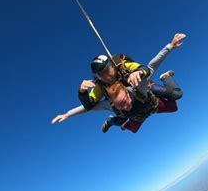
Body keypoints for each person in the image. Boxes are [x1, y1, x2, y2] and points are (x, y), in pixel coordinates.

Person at [51, 33, 186, 127]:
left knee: (176, 95)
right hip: (136, 108)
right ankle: (112, 121)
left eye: (107, 70)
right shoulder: (101, 87)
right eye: (101, 75)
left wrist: (140, 72)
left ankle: (165, 77)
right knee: (126, 120)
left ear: (112, 65)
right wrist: (81, 94)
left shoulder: (122, 66)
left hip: (144, 90)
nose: (107, 76)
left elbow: (149, 68)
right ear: (97, 77)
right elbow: (89, 106)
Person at [101, 70, 181, 133]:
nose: (126, 106)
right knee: (130, 127)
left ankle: (165, 77)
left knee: (174, 103)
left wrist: (169, 48)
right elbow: (95, 106)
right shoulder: (116, 104)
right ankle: (113, 122)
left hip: (150, 99)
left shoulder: (129, 82)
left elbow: (151, 67)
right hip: (139, 114)